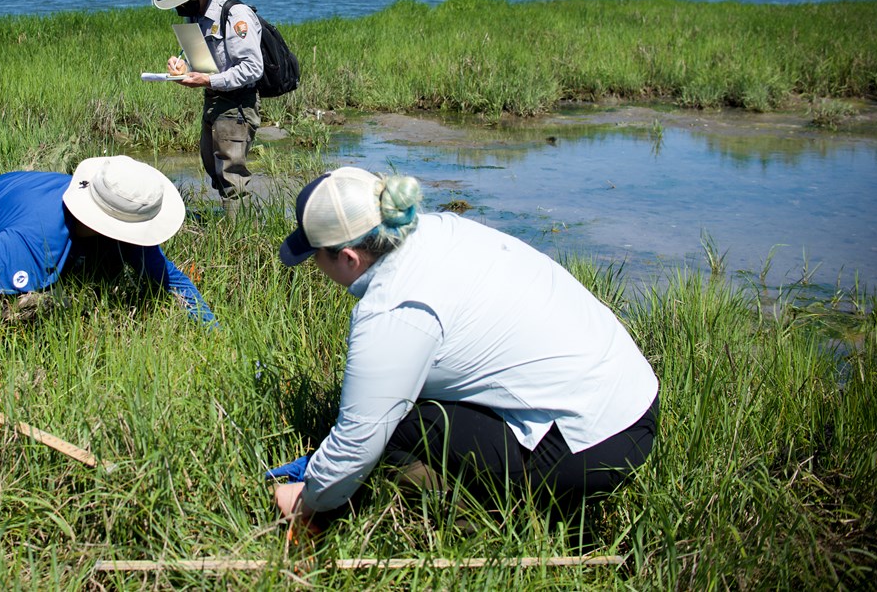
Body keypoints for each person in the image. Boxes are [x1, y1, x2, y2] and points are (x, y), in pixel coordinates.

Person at [270, 166, 659, 532]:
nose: (316, 267)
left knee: (396, 428)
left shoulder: (392, 309)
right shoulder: (441, 229)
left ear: (350, 258)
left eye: (316, 256)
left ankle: (486, 524)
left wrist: (309, 500)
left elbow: (360, 438)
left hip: (592, 445)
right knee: (403, 405)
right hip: (633, 398)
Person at [0, 156, 217, 392]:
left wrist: (214, 333)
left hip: (18, 240)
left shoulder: (115, 208)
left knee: (100, 277)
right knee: (29, 311)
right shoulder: (34, 236)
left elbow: (170, 279)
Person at [153, 0, 263, 213]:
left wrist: (207, 80)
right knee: (213, 166)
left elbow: (252, 68)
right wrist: (184, 69)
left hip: (237, 103)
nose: (178, 6)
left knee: (231, 174)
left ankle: (242, 240)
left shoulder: (235, 14)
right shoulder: (195, 14)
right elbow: (206, 62)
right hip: (213, 98)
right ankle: (232, 224)